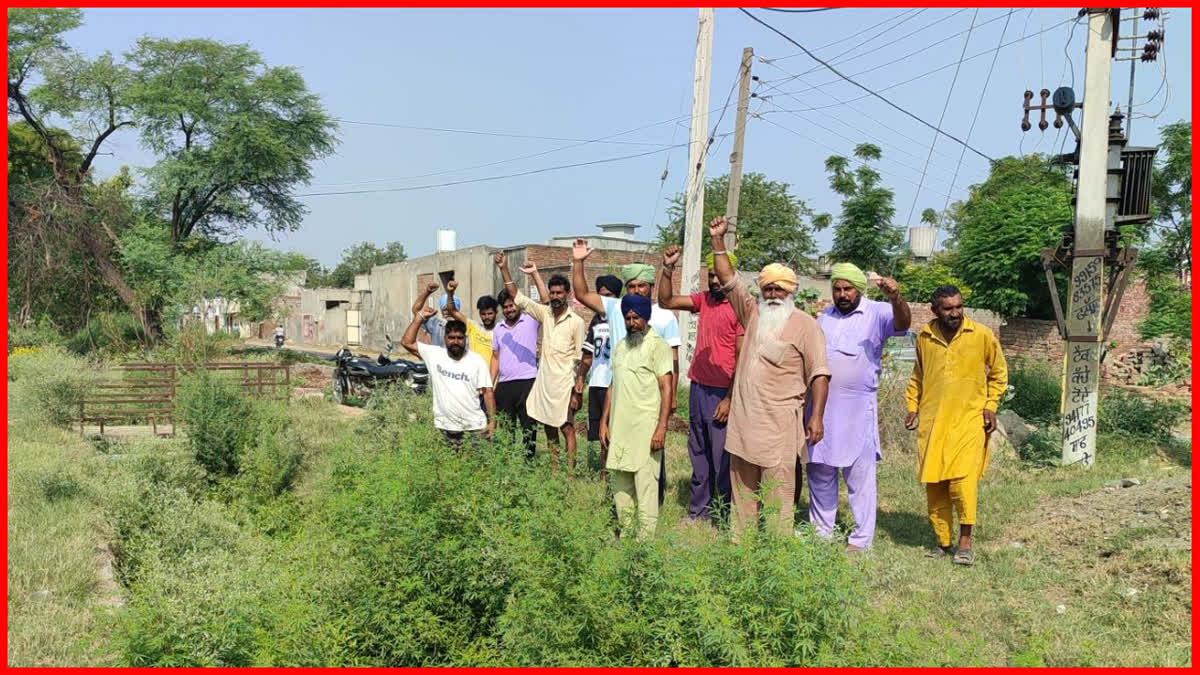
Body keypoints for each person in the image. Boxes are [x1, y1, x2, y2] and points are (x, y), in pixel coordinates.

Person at [707, 216, 830, 538]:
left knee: (778, 495)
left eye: (779, 288)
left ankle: (777, 550)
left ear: (790, 291)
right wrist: (718, 241)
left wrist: (816, 418)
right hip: (745, 423)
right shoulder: (753, 313)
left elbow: (819, 374)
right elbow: (728, 278)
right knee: (742, 495)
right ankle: (741, 549)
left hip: (780, 426)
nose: (773, 292)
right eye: (768, 287)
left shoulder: (806, 325)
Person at [806, 262, 911, 552]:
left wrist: (896, 298)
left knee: (859, 477)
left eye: (848, 289)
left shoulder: (877, 312)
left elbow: (903, 324)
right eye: (837, 289)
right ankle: (821, 532)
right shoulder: (824, 317)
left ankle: (860, 539)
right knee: (820, 469)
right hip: (821, 408)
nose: (842, 294)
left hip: (858, 409)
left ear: (859, 290)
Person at [905, 285, 1008, 566]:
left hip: (969, 420)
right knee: (935, 482)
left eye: (959, 307)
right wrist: (912, 406)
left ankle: (965, 542)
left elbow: (999, 373)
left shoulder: (981, 335)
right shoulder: (925, 337)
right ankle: (942, 541)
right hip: (932, 422)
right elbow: (918, 375)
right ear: (935, 310)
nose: (955, 313)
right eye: (948, 308)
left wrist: (990, 406)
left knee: (963, 482)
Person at [571, 244, 680, 505]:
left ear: (651, 288)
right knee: (617, 454)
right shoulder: (615, 307)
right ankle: (619, 506)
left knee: (651, 455)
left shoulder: (665, 317)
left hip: (649, 396)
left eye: (642, 286)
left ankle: (654, 506)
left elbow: (672, 363)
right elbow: (582, 293)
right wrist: (578, 262)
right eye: (631, 286)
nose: (637, 291)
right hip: (619, 393)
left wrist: (672, 398)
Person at [657, 245, 745, 524]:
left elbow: (741, 358)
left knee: (722, 458)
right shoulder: (703, 300)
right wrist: (669, 268)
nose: (716, 282)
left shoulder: (739, 307)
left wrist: (730, 398)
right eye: (711, 277)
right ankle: (698, 512)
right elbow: (666, 301)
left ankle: (724, 515)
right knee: (698, 453)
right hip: (698, 387)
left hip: (724, 391)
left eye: (720, 276)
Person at [496, 252, 588, 472]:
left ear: (567, 294)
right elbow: (517, 296)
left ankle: (570, 475)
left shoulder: (576, 321)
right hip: (545, 383)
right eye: (552, 292)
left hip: (565, 384)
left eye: (559, 292)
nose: (555, 296)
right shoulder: (545, 314)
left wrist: (578, 390)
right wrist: (504, 268)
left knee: (567, 428)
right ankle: (556, 472)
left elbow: (581, 359)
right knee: (549, 429)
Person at [599, 294, 673, 539]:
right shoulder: (620, 346)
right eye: (628, 318)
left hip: (646, 430)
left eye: (636, 318)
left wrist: (661, 427)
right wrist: (603, 421)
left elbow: (667, 388)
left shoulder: (658, 346)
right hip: (619, 429)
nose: (632, 323)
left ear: (646, 317)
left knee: (646, 490)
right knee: (621, 490)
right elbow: (612, 385)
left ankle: (645, 547)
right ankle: (628, 542)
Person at [401, 307, 496, 450]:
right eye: (451, 338)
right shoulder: (435, 355)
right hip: (446, 427)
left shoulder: (477, 361)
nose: (455, 342)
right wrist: (419, 317)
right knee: (450, 469)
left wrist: (493, 422)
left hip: (474, 428)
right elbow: (407, 342)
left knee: (477, 469)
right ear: (445, 339)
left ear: (465, 339)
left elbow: (488, 392)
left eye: (459, 338)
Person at [490, 286, 541, 459]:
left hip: (527, 382)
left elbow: (545, 301)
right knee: (506, 429)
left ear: (518, 305)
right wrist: (490, 385)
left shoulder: (531, 320)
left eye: (512, 305)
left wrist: (534, 274)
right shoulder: (498, 329)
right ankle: (506, 464)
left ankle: (528, 464)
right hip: (504, 385)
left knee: (528, 427)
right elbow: (495, 357)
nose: (509, 309)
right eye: (505, 307)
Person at [582, 274, 623, 474]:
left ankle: (616, 470)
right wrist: (581, 378)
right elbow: (588, 353)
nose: (604, 299)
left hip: (614, 381)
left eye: (609, 295)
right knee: (600, 430)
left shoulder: (623, 317)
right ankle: (605, 472)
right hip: (597, 382)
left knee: (615, 428)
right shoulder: (596, 321)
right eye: (601, 295)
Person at [441, 280, 498, 364]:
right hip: (473, 373)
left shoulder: (501, 331)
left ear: (496, 312)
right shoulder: (473, 326)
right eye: (483, 314)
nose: (486, 317)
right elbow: (452, 311)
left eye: (490, 314)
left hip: (493, 375)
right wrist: (450, 293)